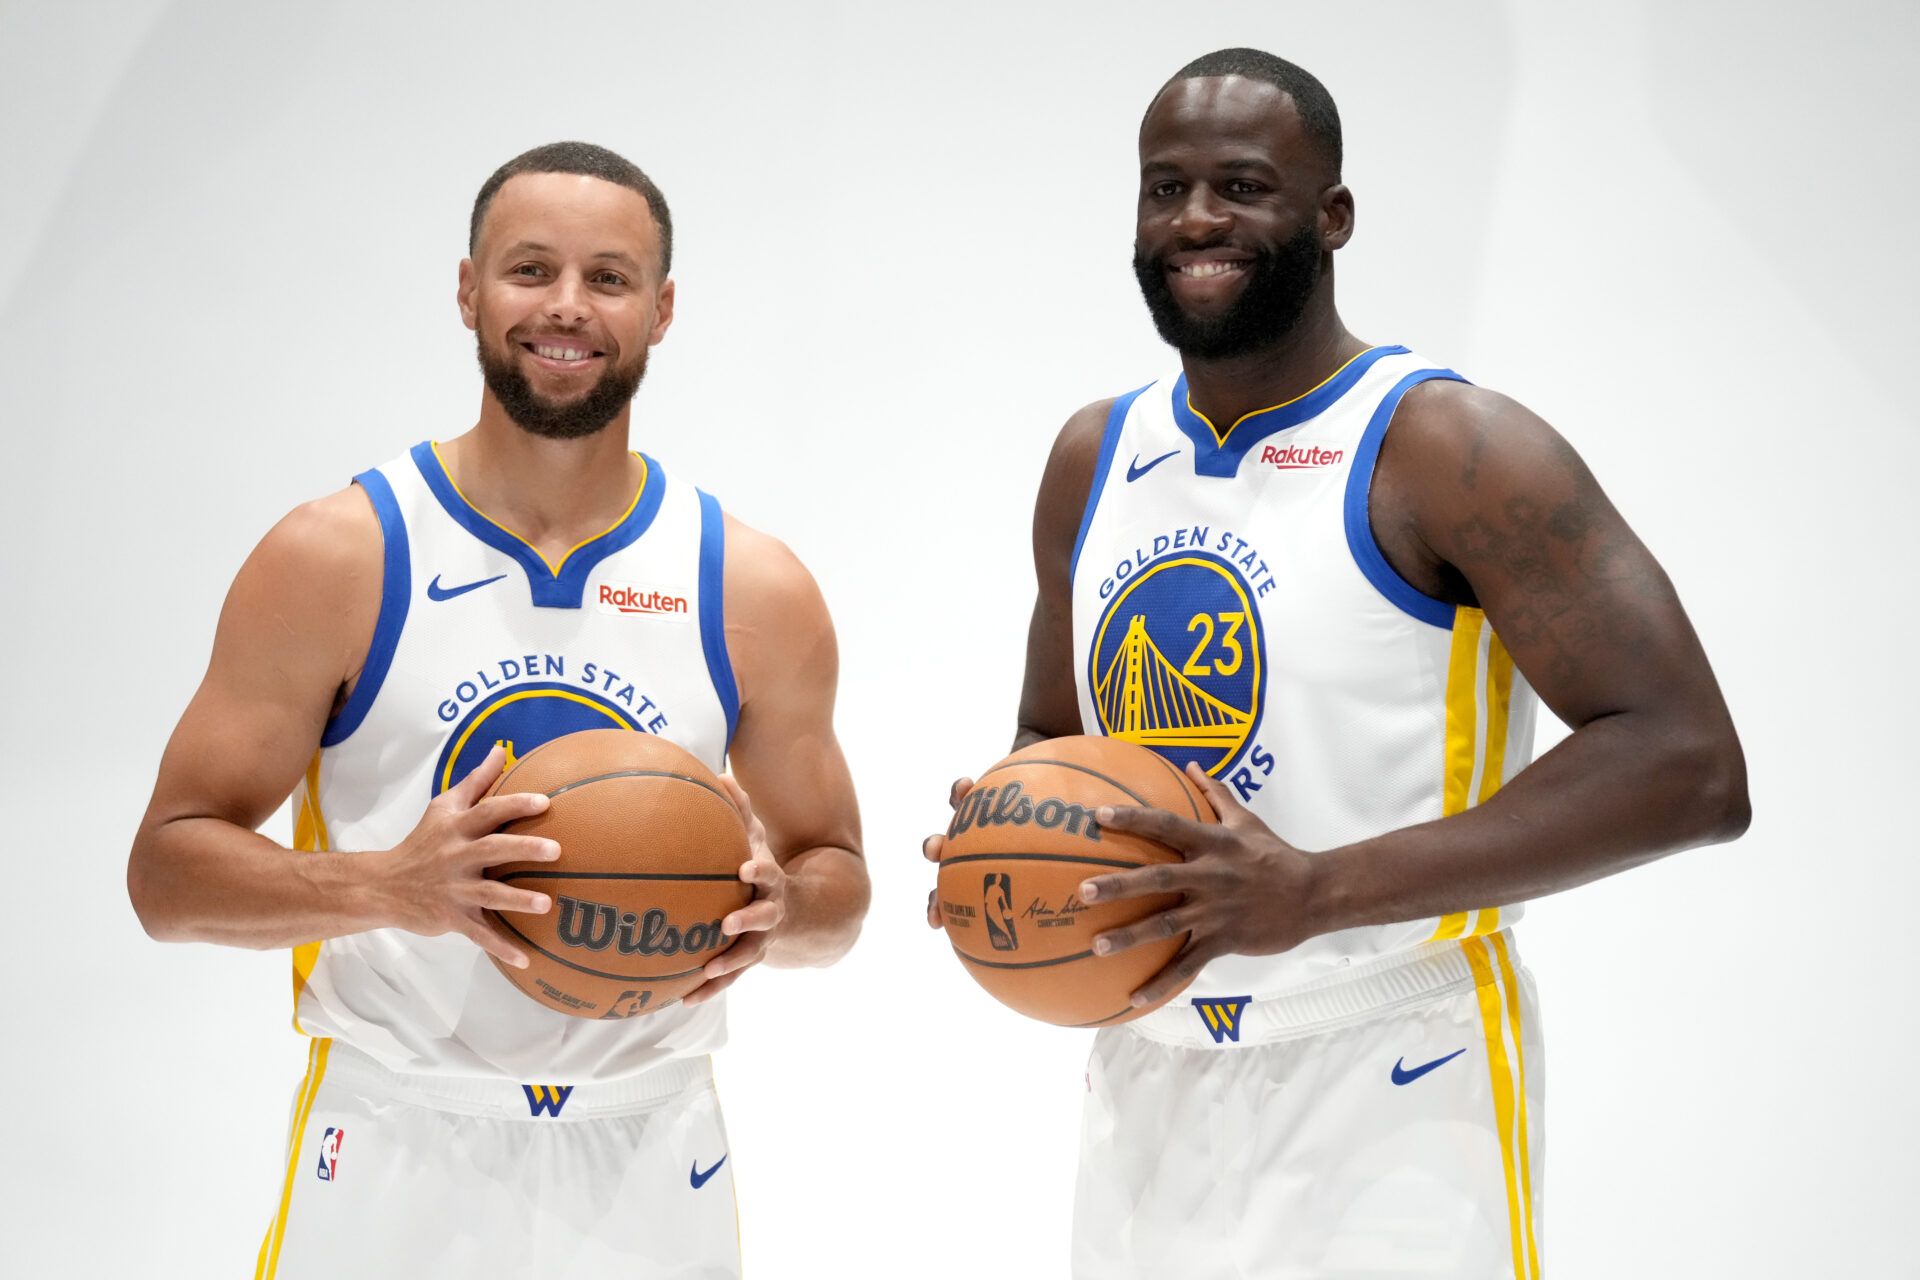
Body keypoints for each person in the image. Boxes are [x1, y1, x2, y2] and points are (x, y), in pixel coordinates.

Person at [924, 48, 1748, 1279]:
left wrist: (1316, 890)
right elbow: (1057, 737)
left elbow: (1687, 763)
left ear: (1333, 215)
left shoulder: (1449, 446)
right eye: (1166, 188)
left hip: (1395, 1075)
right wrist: (1011, 832)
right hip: (1148, 1070)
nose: (1196, 219)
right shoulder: (1095, 453)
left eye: (1243, 186)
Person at [127, 141, 869, 1280]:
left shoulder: (748, 584)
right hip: (395, 1140)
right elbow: (167, 877)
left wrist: (780, 906)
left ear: (661, 311)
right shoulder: (341, 555)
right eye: (531, 270)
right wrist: (392, 883)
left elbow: (840, 886)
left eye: (609, 277)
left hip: (652, 1145)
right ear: (468, 289)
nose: (566, 307)